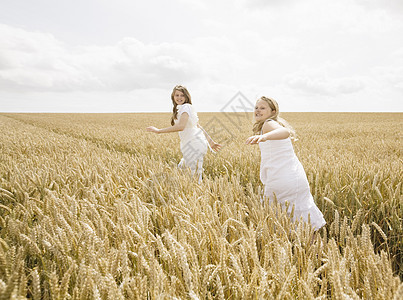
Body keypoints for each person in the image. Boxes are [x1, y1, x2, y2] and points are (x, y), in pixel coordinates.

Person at [246, 96, 326, 230]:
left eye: (262, 108)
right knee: (302, 219)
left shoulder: (269, 124)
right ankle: (314, 249)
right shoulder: (269, 125)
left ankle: (302, 249)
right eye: (256, 107)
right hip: (291, 177)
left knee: (276, 219)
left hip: (283, 179)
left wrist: (263, 137)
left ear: (272, 111)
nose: (258, 111)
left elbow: (285, 132)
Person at [146, 85, 221, 183]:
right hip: (190, 143)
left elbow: (181, 126)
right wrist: (211, 142)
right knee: (186, 171)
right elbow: (198, 126)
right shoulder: (182, 108)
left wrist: (159, 131)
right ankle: (195, 191)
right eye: (177, 95)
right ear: (173, 97)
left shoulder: (186, 107)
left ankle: (196, 192)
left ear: (186, 97)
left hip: (194, 143)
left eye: (182, 95)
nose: (179, 97)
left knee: (190, 173)